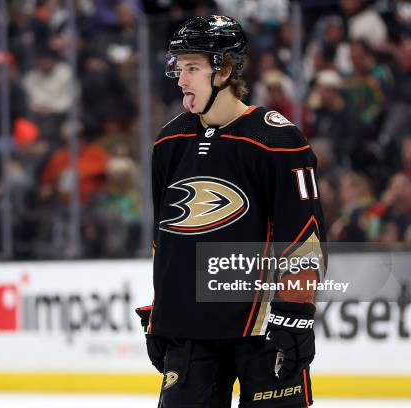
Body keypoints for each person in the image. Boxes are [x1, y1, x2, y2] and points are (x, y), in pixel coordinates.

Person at [135, 16, 326, 407]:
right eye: (178, 67)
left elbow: (303, 235)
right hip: (190, 329)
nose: (181, 79)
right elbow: (166, 238)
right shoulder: (170, 140)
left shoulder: (276, 138)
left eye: (192, 67)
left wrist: (296, 310)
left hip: (263, 329)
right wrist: (163, 310)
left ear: (223, 69)